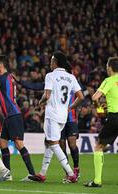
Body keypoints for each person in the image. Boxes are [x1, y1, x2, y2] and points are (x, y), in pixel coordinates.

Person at [29, 51, 84, 183]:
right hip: (63, 116)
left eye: (52, 60)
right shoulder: (71, 77)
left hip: (52, 114)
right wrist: (70, 107)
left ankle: (71, 174)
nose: (50, 62)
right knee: (49, 141)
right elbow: (81, 97)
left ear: (56, 62)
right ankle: (42, 173)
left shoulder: (50, 76)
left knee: (53, 143)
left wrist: (40, 102)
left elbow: (47, 95)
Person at [0, 55, 36, 181]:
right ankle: (7, 175)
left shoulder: (1, 78)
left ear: (1, 64)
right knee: (2, 143)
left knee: (19, 144)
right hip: (10, 116)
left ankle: (32, 174)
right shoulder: (9, 76)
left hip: (13, 114)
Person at [84, 57, 118, 187]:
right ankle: (107, 145)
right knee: (102, 144)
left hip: (115, 117)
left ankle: (97, 181)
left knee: (98, 146)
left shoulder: (108, 80)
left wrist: (99, 109)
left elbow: (95, 97)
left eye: (107, 66)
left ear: (110, 68)